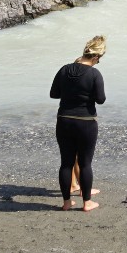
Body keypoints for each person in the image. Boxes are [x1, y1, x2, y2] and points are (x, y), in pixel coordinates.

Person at [50, 35, 107, 211]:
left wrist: (70, 93)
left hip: (64, 120)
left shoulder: (64, 69)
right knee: (85, 163)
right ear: (96, 57)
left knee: (66, 163)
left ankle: (66, 202)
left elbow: (54, 94)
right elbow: (101, 99)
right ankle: (87, 203)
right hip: (86, 122)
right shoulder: (94, 74)